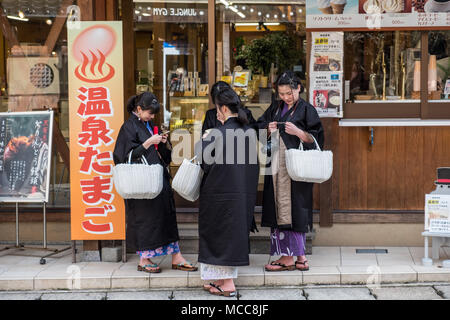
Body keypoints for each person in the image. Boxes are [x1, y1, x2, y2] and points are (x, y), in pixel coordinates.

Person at [113, 92, 197, 273]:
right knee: (146, 219)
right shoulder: (128, 127)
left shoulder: (148, 125)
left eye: (153, 114)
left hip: (158, 178)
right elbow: (122, 156)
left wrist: (163, 144)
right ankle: (144, 259)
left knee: (167, 216)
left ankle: (176, 256)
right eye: (149, 113)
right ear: (138, 109)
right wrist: (149, 143)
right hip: (141, 183)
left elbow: (162, 156)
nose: (152, 117)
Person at [255, 71, 324, 272]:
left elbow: (317, 137)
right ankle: (300, 257)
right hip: (277, 166)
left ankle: (287, 258)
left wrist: (299, 133)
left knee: (296, 210)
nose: (285, 97)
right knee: (282, 209)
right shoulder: (276, 107)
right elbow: (259, 125)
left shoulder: (307, 109)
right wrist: (268, 128)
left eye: (289, 93)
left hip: (297, 169)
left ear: (298, 88)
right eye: (282, 94)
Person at [196, 86, 259, 297]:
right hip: (243, 194)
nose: (215, 112)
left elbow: (203, 162)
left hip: (218, 194)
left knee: (218, 235)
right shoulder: (249, 132)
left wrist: (204, 140)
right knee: (232, 235)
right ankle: (220, 280)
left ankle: (228, 283)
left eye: (217, 108)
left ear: (223, 109)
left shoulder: (216, 133)